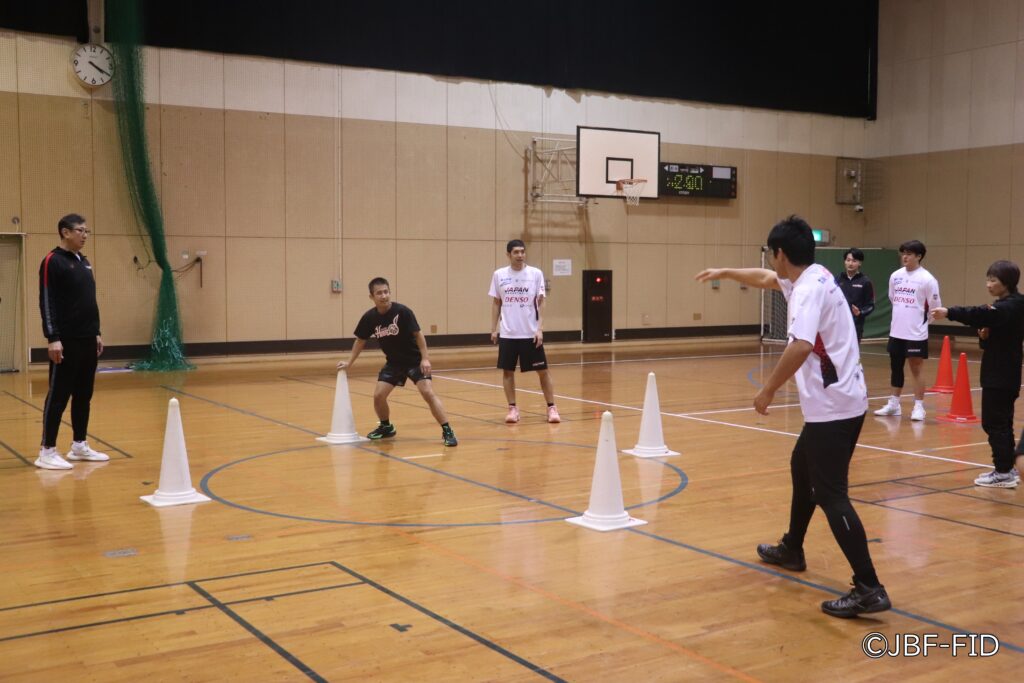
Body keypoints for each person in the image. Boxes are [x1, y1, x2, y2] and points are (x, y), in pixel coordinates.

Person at [696, 215, 890, 618]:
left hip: (834, 408)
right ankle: (792, 548)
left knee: (832, 495)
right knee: (801, 467)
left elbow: (801, 345)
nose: (771, 261)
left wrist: (767, 389)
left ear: (781, 253)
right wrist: (726, 272)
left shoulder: (806, 292)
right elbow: (767, 278)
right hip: (841, 402)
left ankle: (869, 587)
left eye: (772, 253)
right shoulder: (814, 276)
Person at [931, 260, 1024, 488]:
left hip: (1000, 374)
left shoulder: (1009, 306)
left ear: (1007, 282)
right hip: (1005, 372)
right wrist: (985, 338)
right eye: (987, 279)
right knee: (1002, 422)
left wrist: (949, 312)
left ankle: (1003, 472)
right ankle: (1007, 468)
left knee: (994, 423)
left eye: (993, 280)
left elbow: (978, 314)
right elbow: (996, 333)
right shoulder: (1011, 305)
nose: (988, 284)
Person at [337, 277, 457, 447]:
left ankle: (447, 430)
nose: (384, 296)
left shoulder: (403, 312)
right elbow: (360, 340)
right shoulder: (370, 317)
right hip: (394, 363)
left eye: (386, 292)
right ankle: (386, 427)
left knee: (427, 392)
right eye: (379, 293)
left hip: (414, 361)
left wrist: (425, 358)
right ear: (371, 297)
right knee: (379, 396)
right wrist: (349, 362)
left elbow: (418, 335)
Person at [36, 213, 109, 470]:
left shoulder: (84, 262)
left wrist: (96, 332)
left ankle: (79, 445)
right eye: (80, 230)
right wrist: (53, 338)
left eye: (87, 231)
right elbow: (46, 301)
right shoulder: (52, 261)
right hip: (65, 341)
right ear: (65, 232)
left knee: (83, 395)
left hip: (87, 338)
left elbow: (89, 301)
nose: (84, 235)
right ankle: (47, 450)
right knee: (58, 395)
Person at [489, 239, 560, 424]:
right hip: (508, 333)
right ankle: (512, 409)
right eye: (516, 252)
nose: (520, 255)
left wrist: (540, 329)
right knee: (507, 372)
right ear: (508, 254)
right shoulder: (499, 275)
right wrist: (494, 329)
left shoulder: (535, 274)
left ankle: (551, 408)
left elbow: (541, 302)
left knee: (543, 371)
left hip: (530, 333)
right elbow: (496, 302)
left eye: (522, 251)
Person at [874, 240, 941, 421]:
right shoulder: (895, 276)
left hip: (916, 333)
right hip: (896, 331)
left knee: (916, 368)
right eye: (903, 253)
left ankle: (919, 407)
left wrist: (921, 324)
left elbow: (935, 308)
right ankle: (894, 404)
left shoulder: (927, 279)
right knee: (896, 367)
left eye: (909, 254)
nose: (905, 257)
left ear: (919, 256)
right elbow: (893, 297)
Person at [835, 248, 874, 342]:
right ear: (844, 261)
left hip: (855, 326)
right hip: (838, 325)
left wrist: (860, 312)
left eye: (854, 261)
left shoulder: (865, 282)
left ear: (860, 263)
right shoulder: (838, 279)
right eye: (848, 260)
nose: (850, 263)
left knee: (852, 351)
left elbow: (870, 305)